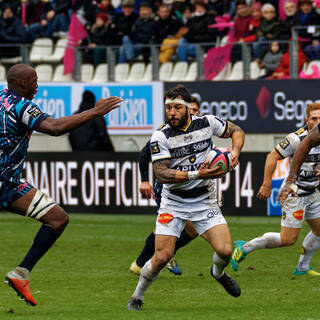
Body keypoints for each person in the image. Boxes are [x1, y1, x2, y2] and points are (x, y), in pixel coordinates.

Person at [1, 64, 122, 306]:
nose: (38, 85)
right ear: (23, 84)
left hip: (11, 183)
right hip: (5, 183)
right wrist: (95, 112)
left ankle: (21, 273)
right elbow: (55, 128)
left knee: (57, 218)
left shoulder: (2, 98)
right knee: (57, 220)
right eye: (34, 81)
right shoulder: (22, 106)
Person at [127, 85, 245, 310]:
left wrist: (235, 152)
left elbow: (237, 131)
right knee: (162, 257)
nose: (172, 112)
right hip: (173, 202)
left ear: (189, 109)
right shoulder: (160, 136)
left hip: (204, 200)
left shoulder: (207, 123)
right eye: (168, 107)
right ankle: (137, 296)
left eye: (177, 107)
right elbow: (161, 173)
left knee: (225, 251)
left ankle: (218, 273)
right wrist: (197, 173)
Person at [232, 103, 320, 276]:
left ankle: (302, 267)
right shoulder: (296, 139)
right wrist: (266, 184)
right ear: (306, 120)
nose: (317, 122)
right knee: (288, 239)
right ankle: (245, 247)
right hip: (295, 192)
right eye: (314, 118)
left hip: (313, 192)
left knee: (319, 231)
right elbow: (272, 156)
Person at [129, 97, 201, 277]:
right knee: (166, 228)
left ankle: (167, 253)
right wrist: (144, 180)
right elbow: (144, 154)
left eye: (195, 110)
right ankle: (140, 264)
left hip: (188, 188)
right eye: (190, 109)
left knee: (193, 229)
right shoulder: (165, 133)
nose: (193, 113)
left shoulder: (201, 131)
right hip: (167, 188)